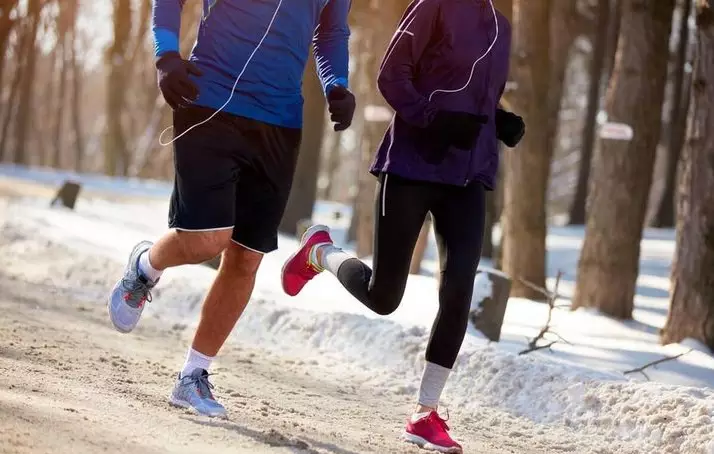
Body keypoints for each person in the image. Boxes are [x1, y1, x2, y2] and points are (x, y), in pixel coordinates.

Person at [281, 0, 522, 452]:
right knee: (383, 297)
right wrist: (435, 120)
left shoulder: (500, 25)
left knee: (458, 293)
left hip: (467, 177)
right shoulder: (433, 7)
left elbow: (475, 93)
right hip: (411, 166)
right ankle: (319, 251)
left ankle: (424, 414)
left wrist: (499, 119)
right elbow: (392, 77)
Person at [108, 0, 355, 417]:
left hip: (279, 120)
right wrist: (167, 54)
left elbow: (331, 31)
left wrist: (337, 83)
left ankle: (193, 376)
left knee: (245, 257)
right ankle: (145, 265)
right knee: (207, 239)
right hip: (210, 98)